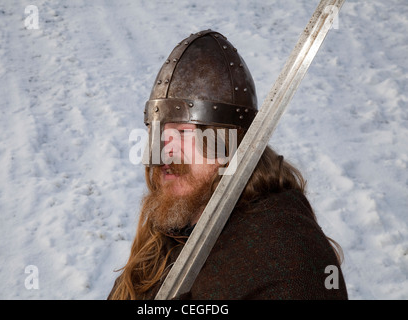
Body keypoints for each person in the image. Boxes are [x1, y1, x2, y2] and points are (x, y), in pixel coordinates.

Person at [108, 30, 348, 300]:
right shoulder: (166, 236)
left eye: (185, 133)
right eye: (159, 134)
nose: (164, 152)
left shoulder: (288, 250)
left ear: (230, 144)